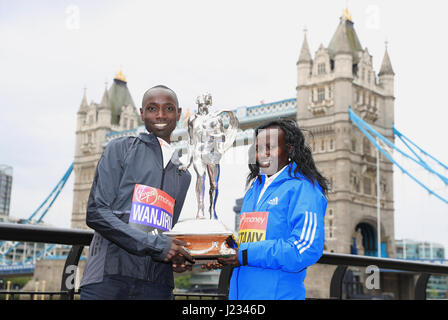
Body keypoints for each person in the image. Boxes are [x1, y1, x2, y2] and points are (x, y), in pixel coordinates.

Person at [79, 85, 194, 300]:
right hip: (108, 279)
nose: (160, 114)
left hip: (157, 284)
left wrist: (176, 256)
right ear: (142, 114)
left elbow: (164, 230)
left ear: (178, 114)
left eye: (168, 108)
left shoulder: (183, 175)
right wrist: (157, 245)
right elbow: (96, 212)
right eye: (152, 108)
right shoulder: (119, 149)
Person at [218, 119, 328, 300]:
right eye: (259, 148)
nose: (263, 154)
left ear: (290, 149)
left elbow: (305, 249)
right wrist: (225, 252)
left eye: (271, 147)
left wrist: (244, 254)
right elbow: (253, 241)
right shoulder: (254, 189)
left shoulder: (304, 189)